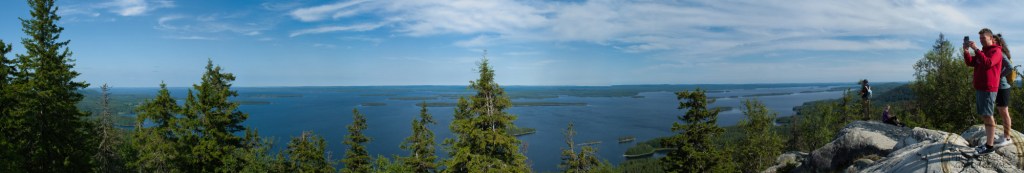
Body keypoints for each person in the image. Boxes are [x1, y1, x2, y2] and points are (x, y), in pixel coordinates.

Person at [964, 28, 1005, 155]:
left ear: (991, 39)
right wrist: (966, 51)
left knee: (988, 115)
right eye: (980, 39)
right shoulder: (983, 52)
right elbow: (971, 62)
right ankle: (988, 143)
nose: (981, 41)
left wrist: (976, 49)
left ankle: (989, 146)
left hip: (989, 88)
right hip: (980, 87)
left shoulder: (996, 51)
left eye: (983, 38)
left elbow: (988, 63)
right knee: (984, 115)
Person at [993, 33, 1015, 148]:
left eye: (994, 41)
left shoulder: (1000, 53)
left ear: (998, 43)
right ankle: (1004, 135)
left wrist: (999, 76)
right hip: (997, 87)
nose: (992, 42)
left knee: (1004, 112)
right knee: (1000, 111)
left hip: (1002, 87)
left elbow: (1010, 68)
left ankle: (1007, 137)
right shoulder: (996, 53)